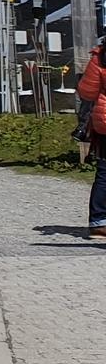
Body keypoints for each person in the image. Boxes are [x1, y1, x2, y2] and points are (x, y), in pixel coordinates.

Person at [78, 44, 106, 238]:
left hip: (104, 121)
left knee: (104, 173)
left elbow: (87, 92)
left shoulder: (100, 57)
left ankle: (99, 222)